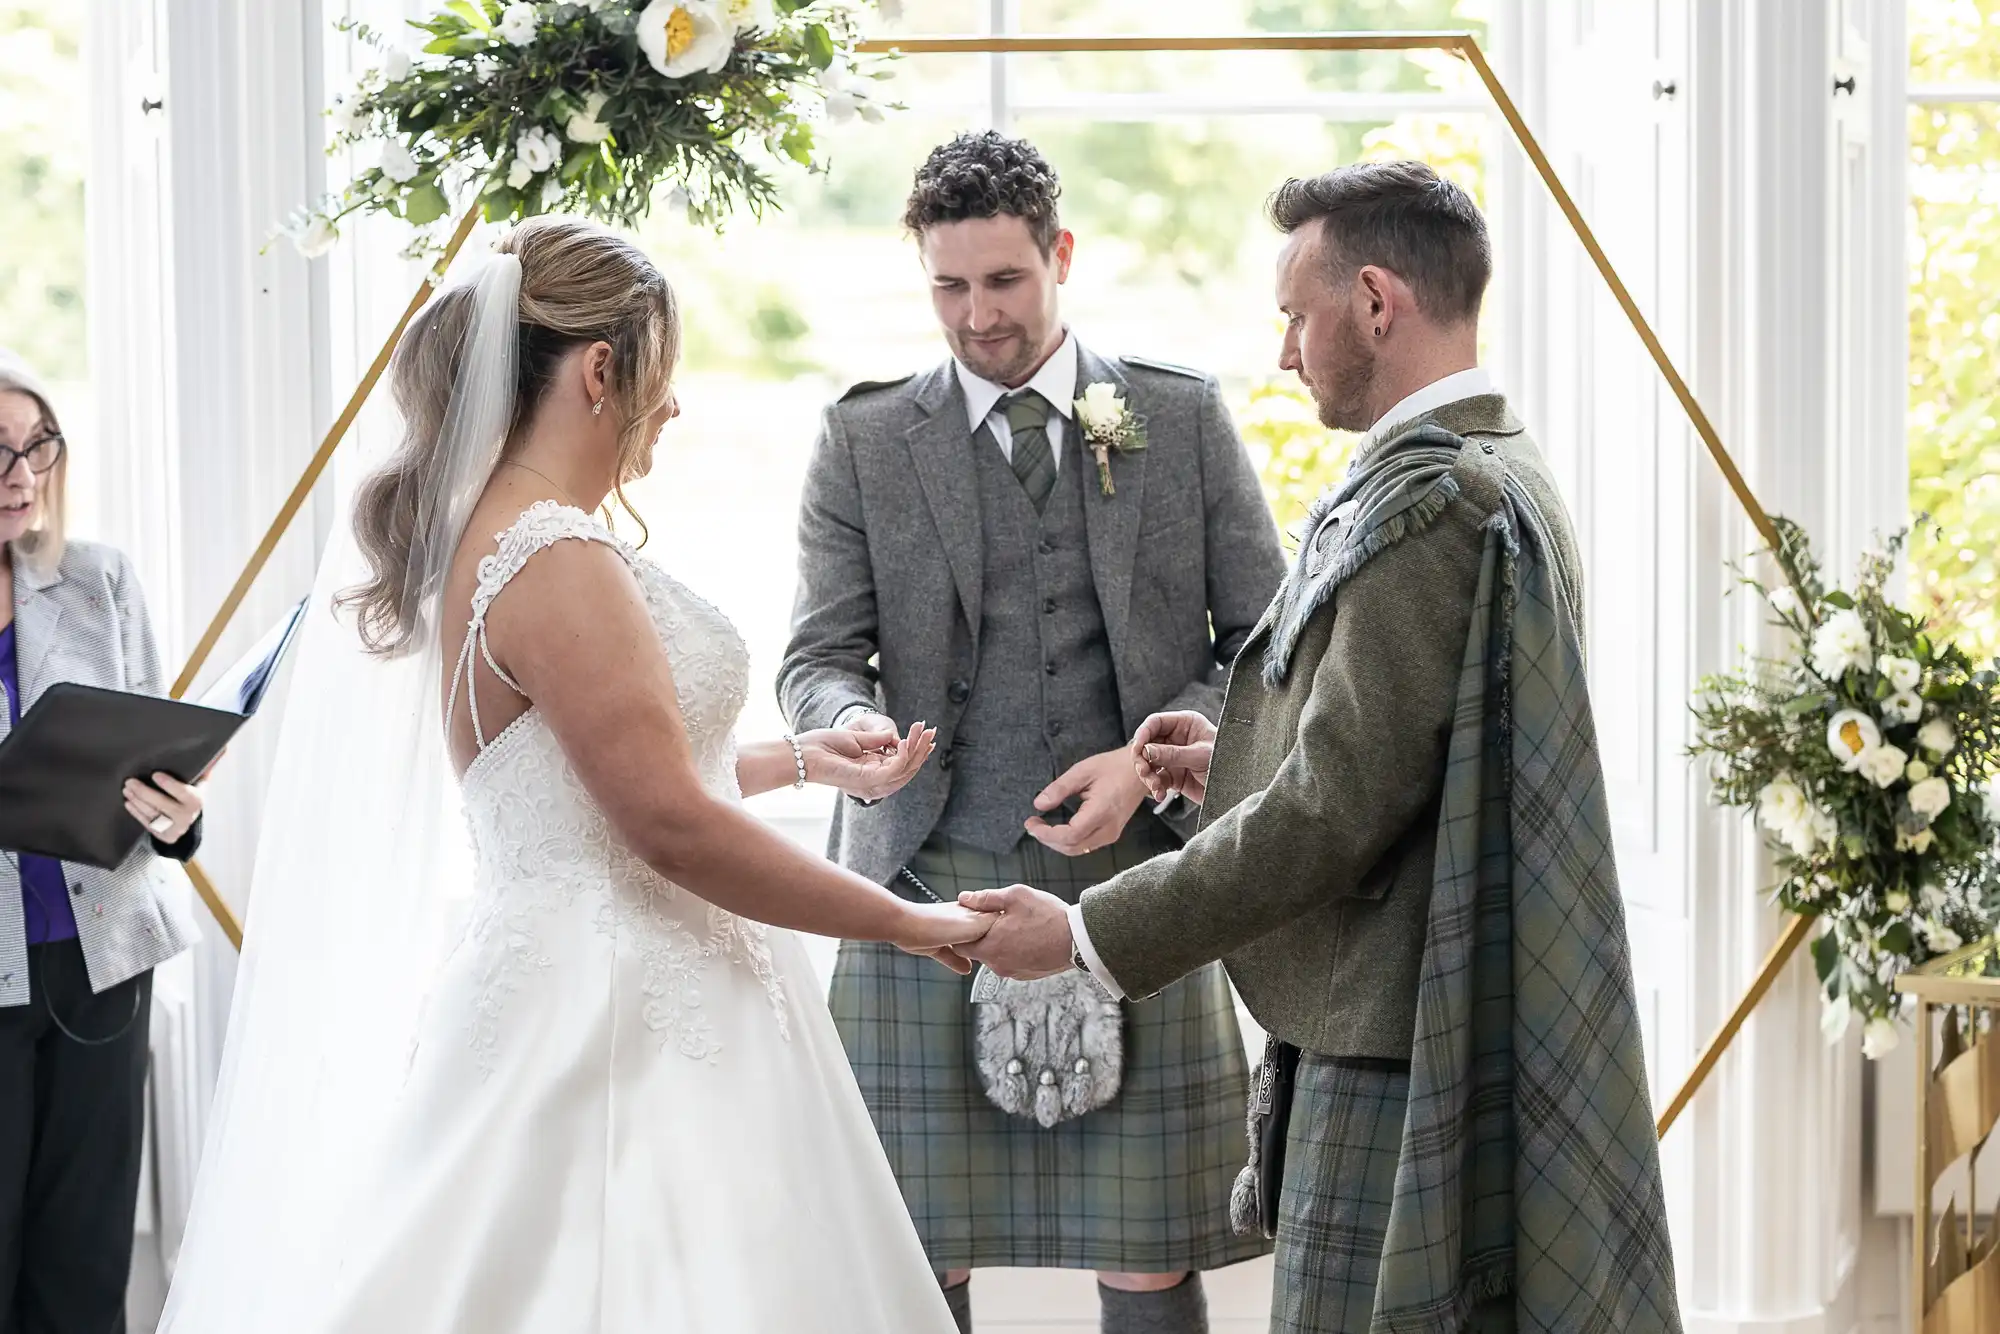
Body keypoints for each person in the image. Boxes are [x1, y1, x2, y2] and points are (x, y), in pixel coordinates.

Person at [159, 217, 991, 1333]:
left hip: (566, 974)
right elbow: (664, 825)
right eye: (666, 373)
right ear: (601, 370)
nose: (676, 406)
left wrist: (794, 757)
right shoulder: (554, 555)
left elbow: (566, 785)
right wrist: (899, 918)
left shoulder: (483, 536)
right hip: (626, 1015)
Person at [961, 162, 1682, 1332]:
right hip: (1397, 1009)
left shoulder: (1431, 501)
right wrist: (1231, 755)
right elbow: (1403, 758)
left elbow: (1331, 811)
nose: (1285, 352)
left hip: (1388, 1039)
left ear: (1376, 302)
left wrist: (1087, 932)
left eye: (1296, 315)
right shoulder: (1495, 463)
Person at [780, 131, 1285, 1334]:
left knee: (1153, 1250)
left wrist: (1152, 756)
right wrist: (848, 724)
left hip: (1143, 877)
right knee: (919, 1244)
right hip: (921, 877)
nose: (974, 316)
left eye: (1002, 281)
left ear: (1060, 255)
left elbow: (1266, 649)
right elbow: (815, 658)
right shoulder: (863, 439)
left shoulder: (1178, 415)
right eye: (947, 285)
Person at [0, 347, 207, 1333]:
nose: (23, 477)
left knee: (83, 1266)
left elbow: (155, 757)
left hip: (105, 964)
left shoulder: (99, 580)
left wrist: (179, 816)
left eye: (38, 447)